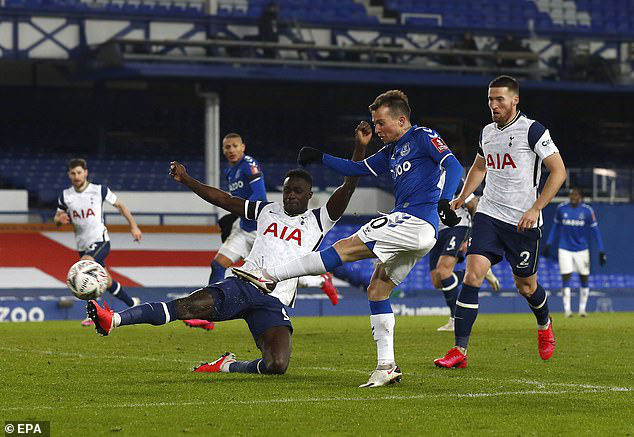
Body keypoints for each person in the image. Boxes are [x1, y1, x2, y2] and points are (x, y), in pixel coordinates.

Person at [86, 122, 370, 376]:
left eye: (297, 191)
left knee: (276, 366)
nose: (291, 195)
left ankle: (226, 365)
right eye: (287, 190)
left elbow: (348, 185)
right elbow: (223, 199)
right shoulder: (266, 210)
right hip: (243, 285)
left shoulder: (318, 220)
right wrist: (186, 179)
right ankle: (114, 319)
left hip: (274, 301)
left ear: (309, 195)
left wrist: (359, 147)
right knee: (184, 307)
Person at [233, 90, 464, 387]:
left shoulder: (421, 136)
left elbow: (453, 164)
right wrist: (321, 157)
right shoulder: (392, 151)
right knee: (377, 290)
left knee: (342, 249)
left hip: (413, 220)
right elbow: (356, 168)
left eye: (381, 123)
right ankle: (386, 367)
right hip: (418, 233)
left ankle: (269, 276)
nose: (377, 129)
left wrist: (446, 200)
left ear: (402, 119)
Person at [434, 75, 567, 369]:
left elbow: (558, 172)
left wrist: (536, 208)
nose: (493, 105)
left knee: (526, 287)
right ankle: (459, 350)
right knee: (472, 276)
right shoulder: (486, 132)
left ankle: (544, 323)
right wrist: (461, 196)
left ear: (514, 100)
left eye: (499, 100)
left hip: (523, 222)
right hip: (488, 215)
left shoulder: (533, 130)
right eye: (490, 99)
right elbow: (480, 167)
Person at [54, 158, 142, 326]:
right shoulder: (66, 196)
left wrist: (134, 226)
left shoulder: (99, 190)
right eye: (73, 173)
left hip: (100, 240)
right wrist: (60, 219)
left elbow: (120, 205)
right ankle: (132, 303)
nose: (76, 176)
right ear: (69, 175)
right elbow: (57, 219)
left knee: (85, 266)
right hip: (82, 245)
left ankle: (92, 314)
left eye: (79, 172)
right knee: (106, 281)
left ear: (85, 172)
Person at [430, 176, 500, 332]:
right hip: (436, 231)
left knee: (443, 271)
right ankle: (479, 272)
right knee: (437, 281)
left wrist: (471, 233)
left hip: (458, 226)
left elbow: (472, 203)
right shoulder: (423, 177)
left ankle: (454, 319)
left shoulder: (450, 177)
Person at [544, 188, 606, 317]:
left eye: (576, 195)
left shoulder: (587, 211)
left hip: (582, 249)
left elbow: (596, 231)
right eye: (572, 195)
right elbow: (555, 227)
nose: (574, 197)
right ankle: (567, 310)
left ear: (580, 197)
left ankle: (582, 310)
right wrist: (548, 244)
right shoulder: (561, 209)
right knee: (566, 277)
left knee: (584, 277)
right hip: (565, 248)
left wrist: (601, 250)